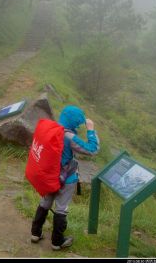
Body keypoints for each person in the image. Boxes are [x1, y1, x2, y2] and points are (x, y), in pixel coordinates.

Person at [30, 105, 99, 250]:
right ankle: (57, 242)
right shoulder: (70, 137)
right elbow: (92, 150)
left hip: (49, 175)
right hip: (66, 179)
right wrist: (91, 130)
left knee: (45, 202)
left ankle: (35, 233)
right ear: (74, 122)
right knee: (61, 208)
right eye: (78, 123)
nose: (79, 126)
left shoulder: (52, 129)